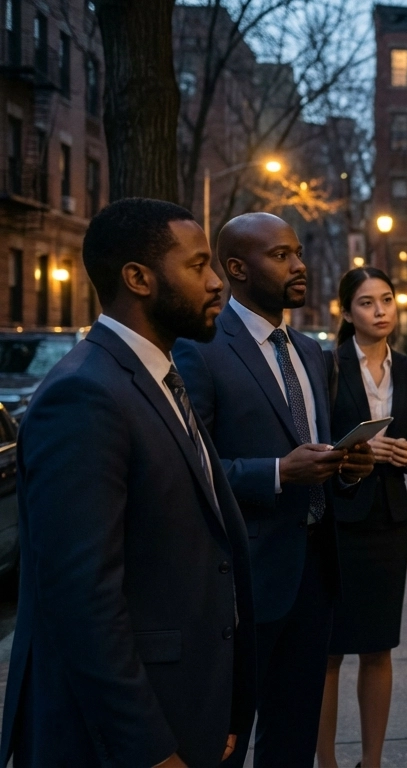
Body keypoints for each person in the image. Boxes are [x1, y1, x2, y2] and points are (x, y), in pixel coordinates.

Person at [0, 199, 254, 767]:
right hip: (126, 738)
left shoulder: (161, 375)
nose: (217, 283)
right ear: (138, 278)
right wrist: (150, 750)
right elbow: (83, 601)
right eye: (197, 266)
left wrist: (228, 709)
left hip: (193, 709)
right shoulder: (83, 394)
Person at [173, 212, 375, 766]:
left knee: (294, 734)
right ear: (236, 268)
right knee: (229, 738)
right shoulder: (201, 348)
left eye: (298, 252)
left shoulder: (310, 351)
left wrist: (348, 465)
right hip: (244, 580)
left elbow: (318, 447)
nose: (299, 265)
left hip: (315, 570)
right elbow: (192, 467)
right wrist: (280, 472)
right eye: (280, 255)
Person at [316, 267, 407, 768]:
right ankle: (326, 761)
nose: (380, 311)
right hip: (338, 519)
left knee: (379, 646)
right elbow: (315, 442)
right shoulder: (328, 366)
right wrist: (356, 453)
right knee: (331, 651)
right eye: (367, 303)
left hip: (388, 520)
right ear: (346, 312)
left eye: (387, 300)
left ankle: (372, 761)